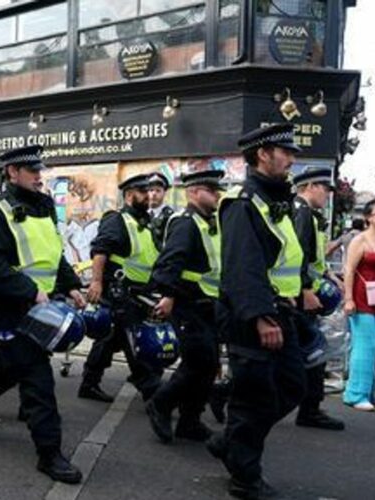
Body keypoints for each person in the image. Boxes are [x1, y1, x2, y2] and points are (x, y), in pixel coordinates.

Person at [0, 145, 86, 484]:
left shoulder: (45, 206)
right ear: (11, 172)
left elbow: (55, 256)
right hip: (10, 309)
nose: (40, 175)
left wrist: (70, 286)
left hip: (42, 307)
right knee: (38, 379)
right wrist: (30, 291)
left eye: (40, 169)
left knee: (6, 368)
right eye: (30, 169)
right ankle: (49, 454)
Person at [207, 123, 307, 499]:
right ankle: (245, 479)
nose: (292, 159)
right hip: (253, 316)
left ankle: (230, 442)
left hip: (280, 310)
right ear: (263, 154)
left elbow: (282, 257)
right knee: (254, 399)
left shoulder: (274, 201)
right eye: (286, 152)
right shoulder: (243, 202)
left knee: (293, 386)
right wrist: (261, 316)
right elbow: (242, 266)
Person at [145, 170, 225, 444]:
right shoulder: (185, 222)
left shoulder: (209, 223)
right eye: (212, 190)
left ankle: (190, 420)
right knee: (197, 361)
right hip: (187, 302)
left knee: (209, 364)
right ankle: (161, 404)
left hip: (209, 304)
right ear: (194, 192)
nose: (217, 195)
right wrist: (168, 295)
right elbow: (171, 261)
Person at [81, 173, 162, 402]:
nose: (148, 196)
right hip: (120, 292)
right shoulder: (117, 220)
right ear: (128, 195)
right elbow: (100, 251)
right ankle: (153, 393)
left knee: (109, 340)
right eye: (143, 192)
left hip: (141, 293)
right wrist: (96, 282)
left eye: (150, 191)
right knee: (132, 340)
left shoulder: (145, 224)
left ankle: (89, 383)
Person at [291, 168, 345, 429]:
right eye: (325, 188)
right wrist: (306, 290)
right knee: (313, 352)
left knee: (310, 353)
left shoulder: (309, 215)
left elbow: (313, 258)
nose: (327, 195)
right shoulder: (300, 212)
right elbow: (296, 255)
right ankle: (310, 410)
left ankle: (311, 408)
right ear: (310, 186)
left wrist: (329, 275)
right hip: (301, 297)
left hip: (303, 294)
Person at [342, 198, 375, 411]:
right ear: (369, 217)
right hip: (362, 299)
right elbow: (349, 270)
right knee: (366, 346)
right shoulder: (360, 240)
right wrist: (348, 299)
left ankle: (369, 391)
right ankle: (355, 393)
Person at [148, 172, 174, 250]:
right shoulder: (142, 214)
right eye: (151, 190)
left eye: (158, 191)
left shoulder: (170, 216)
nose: (154, 194)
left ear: (164, 193)